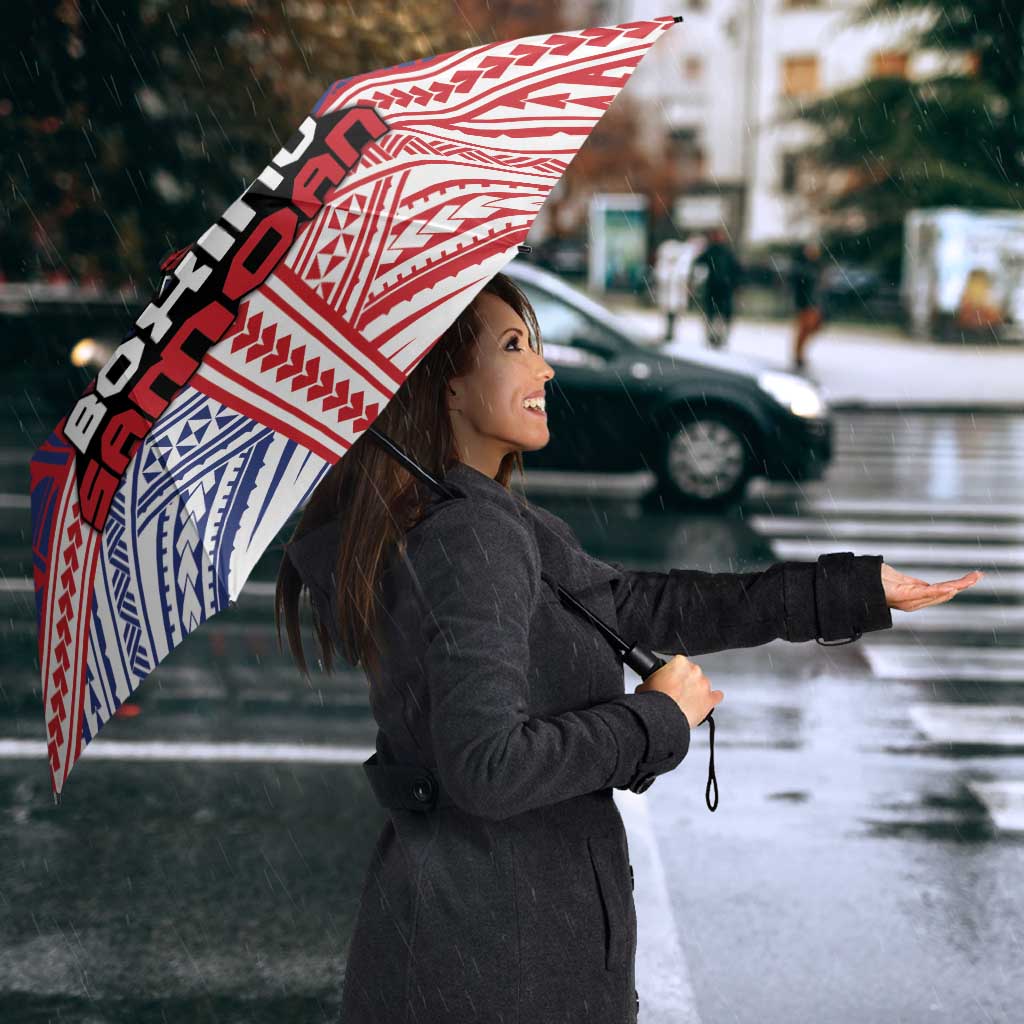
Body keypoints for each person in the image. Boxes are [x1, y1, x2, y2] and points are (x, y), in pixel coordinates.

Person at [275, 272, 981, 1024]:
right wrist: (655, 719)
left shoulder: (480, 519)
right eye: (514, 346)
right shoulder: (469, 537)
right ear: (446, 387)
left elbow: (643, 605)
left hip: (485, 943)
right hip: (496, 964)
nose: (544, 368)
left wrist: (850, 590)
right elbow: (487, 768)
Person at [692, 226, 742, 349]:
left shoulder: (725, 252)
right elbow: (698, 264)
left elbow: (736, 270)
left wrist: (735, 284)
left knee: (720, 315)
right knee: (713, 314)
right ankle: (713, 337)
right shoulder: (712, 251)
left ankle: (719, 337)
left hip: (723, 288)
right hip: (715, 288)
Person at [790, 239, 826, 370]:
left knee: (812, 328)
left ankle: (799, 354)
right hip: (805, 303)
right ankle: (798, 355)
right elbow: (799, 286)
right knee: (804, 329)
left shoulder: (817, 266)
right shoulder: (802, 267)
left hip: (814, 303)